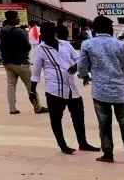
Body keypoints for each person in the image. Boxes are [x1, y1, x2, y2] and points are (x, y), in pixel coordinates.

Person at [79, 15, 124, 164]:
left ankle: (108, 154)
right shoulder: (121, 45)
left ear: (95, 29)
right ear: (110, 29)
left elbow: (82, 66)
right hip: (121, 91)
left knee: (104, 124)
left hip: (100, 91)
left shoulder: (87, 44)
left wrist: (85, 77)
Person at [31, 21, 98, 155]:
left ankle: (83, 143)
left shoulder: (65, 45)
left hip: (72, 89)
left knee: (78, 117)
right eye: (42, 35)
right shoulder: (39, 50)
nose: (44, 38)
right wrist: (32, 90)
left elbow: (80, 59)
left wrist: (76, 66)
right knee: (56, 119)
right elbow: (36, 72)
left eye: (47, 35)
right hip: (54, 90)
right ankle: (63, 145)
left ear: (53, 34)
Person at [1, 10, 47, 115]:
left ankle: (12, 108)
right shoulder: (19, 31)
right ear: (12, 19)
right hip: (20, 62)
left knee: (11, 85)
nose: (18, 18)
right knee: (30, 86)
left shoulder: (2, 31)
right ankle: (37, 107)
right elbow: (27, 46)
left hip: (7, 62)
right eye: (17, 17)